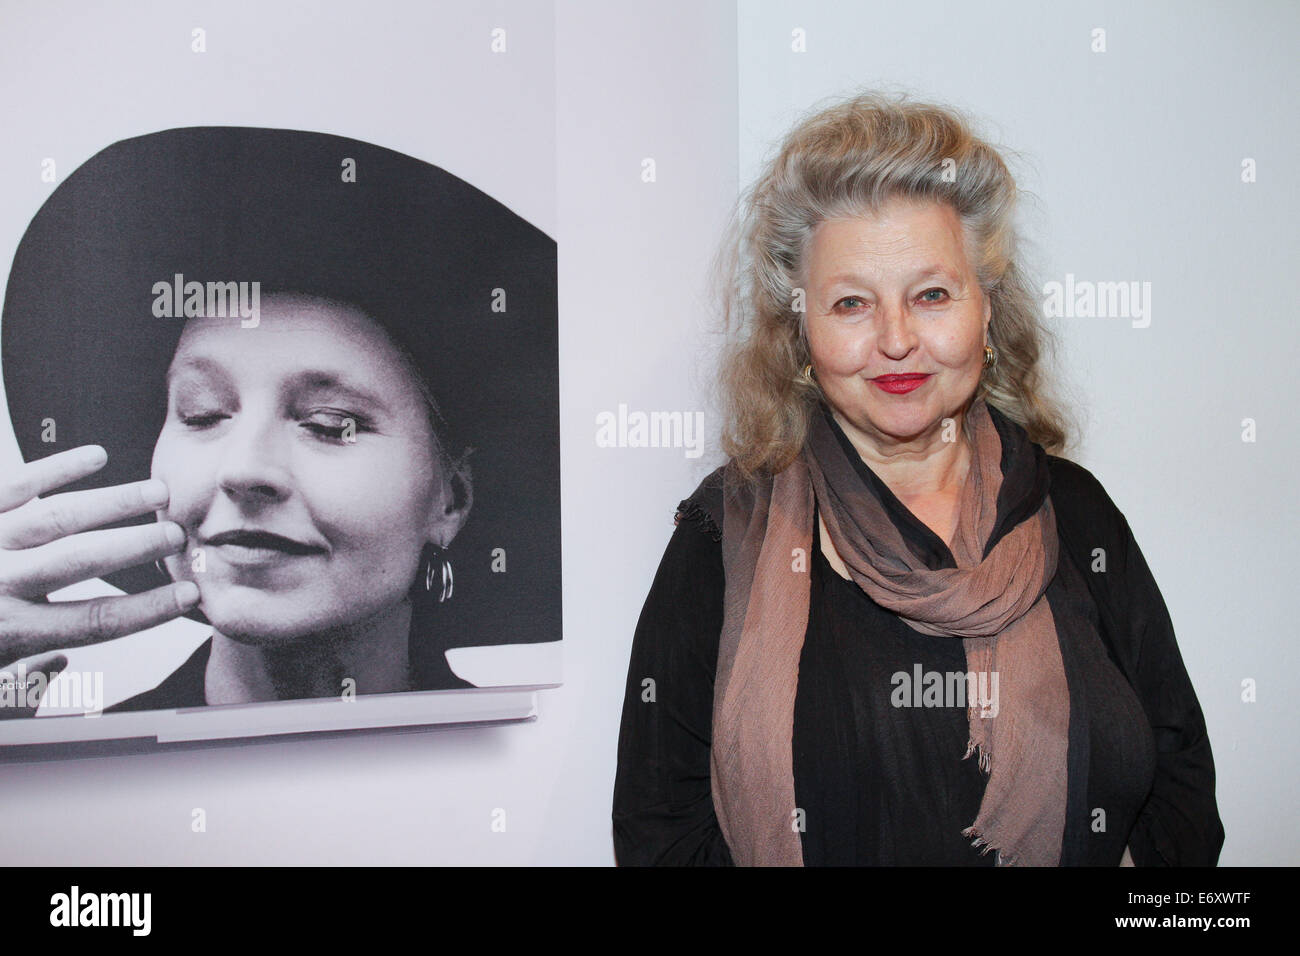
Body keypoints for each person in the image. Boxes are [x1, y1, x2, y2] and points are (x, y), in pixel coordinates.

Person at [612, 92, 1224, 866]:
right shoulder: (725, 536)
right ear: (799, 329)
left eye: (931, 295)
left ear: (987, 312)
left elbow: (1181, 790)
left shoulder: (1075, 512)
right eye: (851, 304)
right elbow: (658, 833)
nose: (897, 339)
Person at [0, 126, 560, 713]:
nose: (242, 469)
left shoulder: (522, 763)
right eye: (202, 414)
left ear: (450, 500)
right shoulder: (79, 787)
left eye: (328, 423)